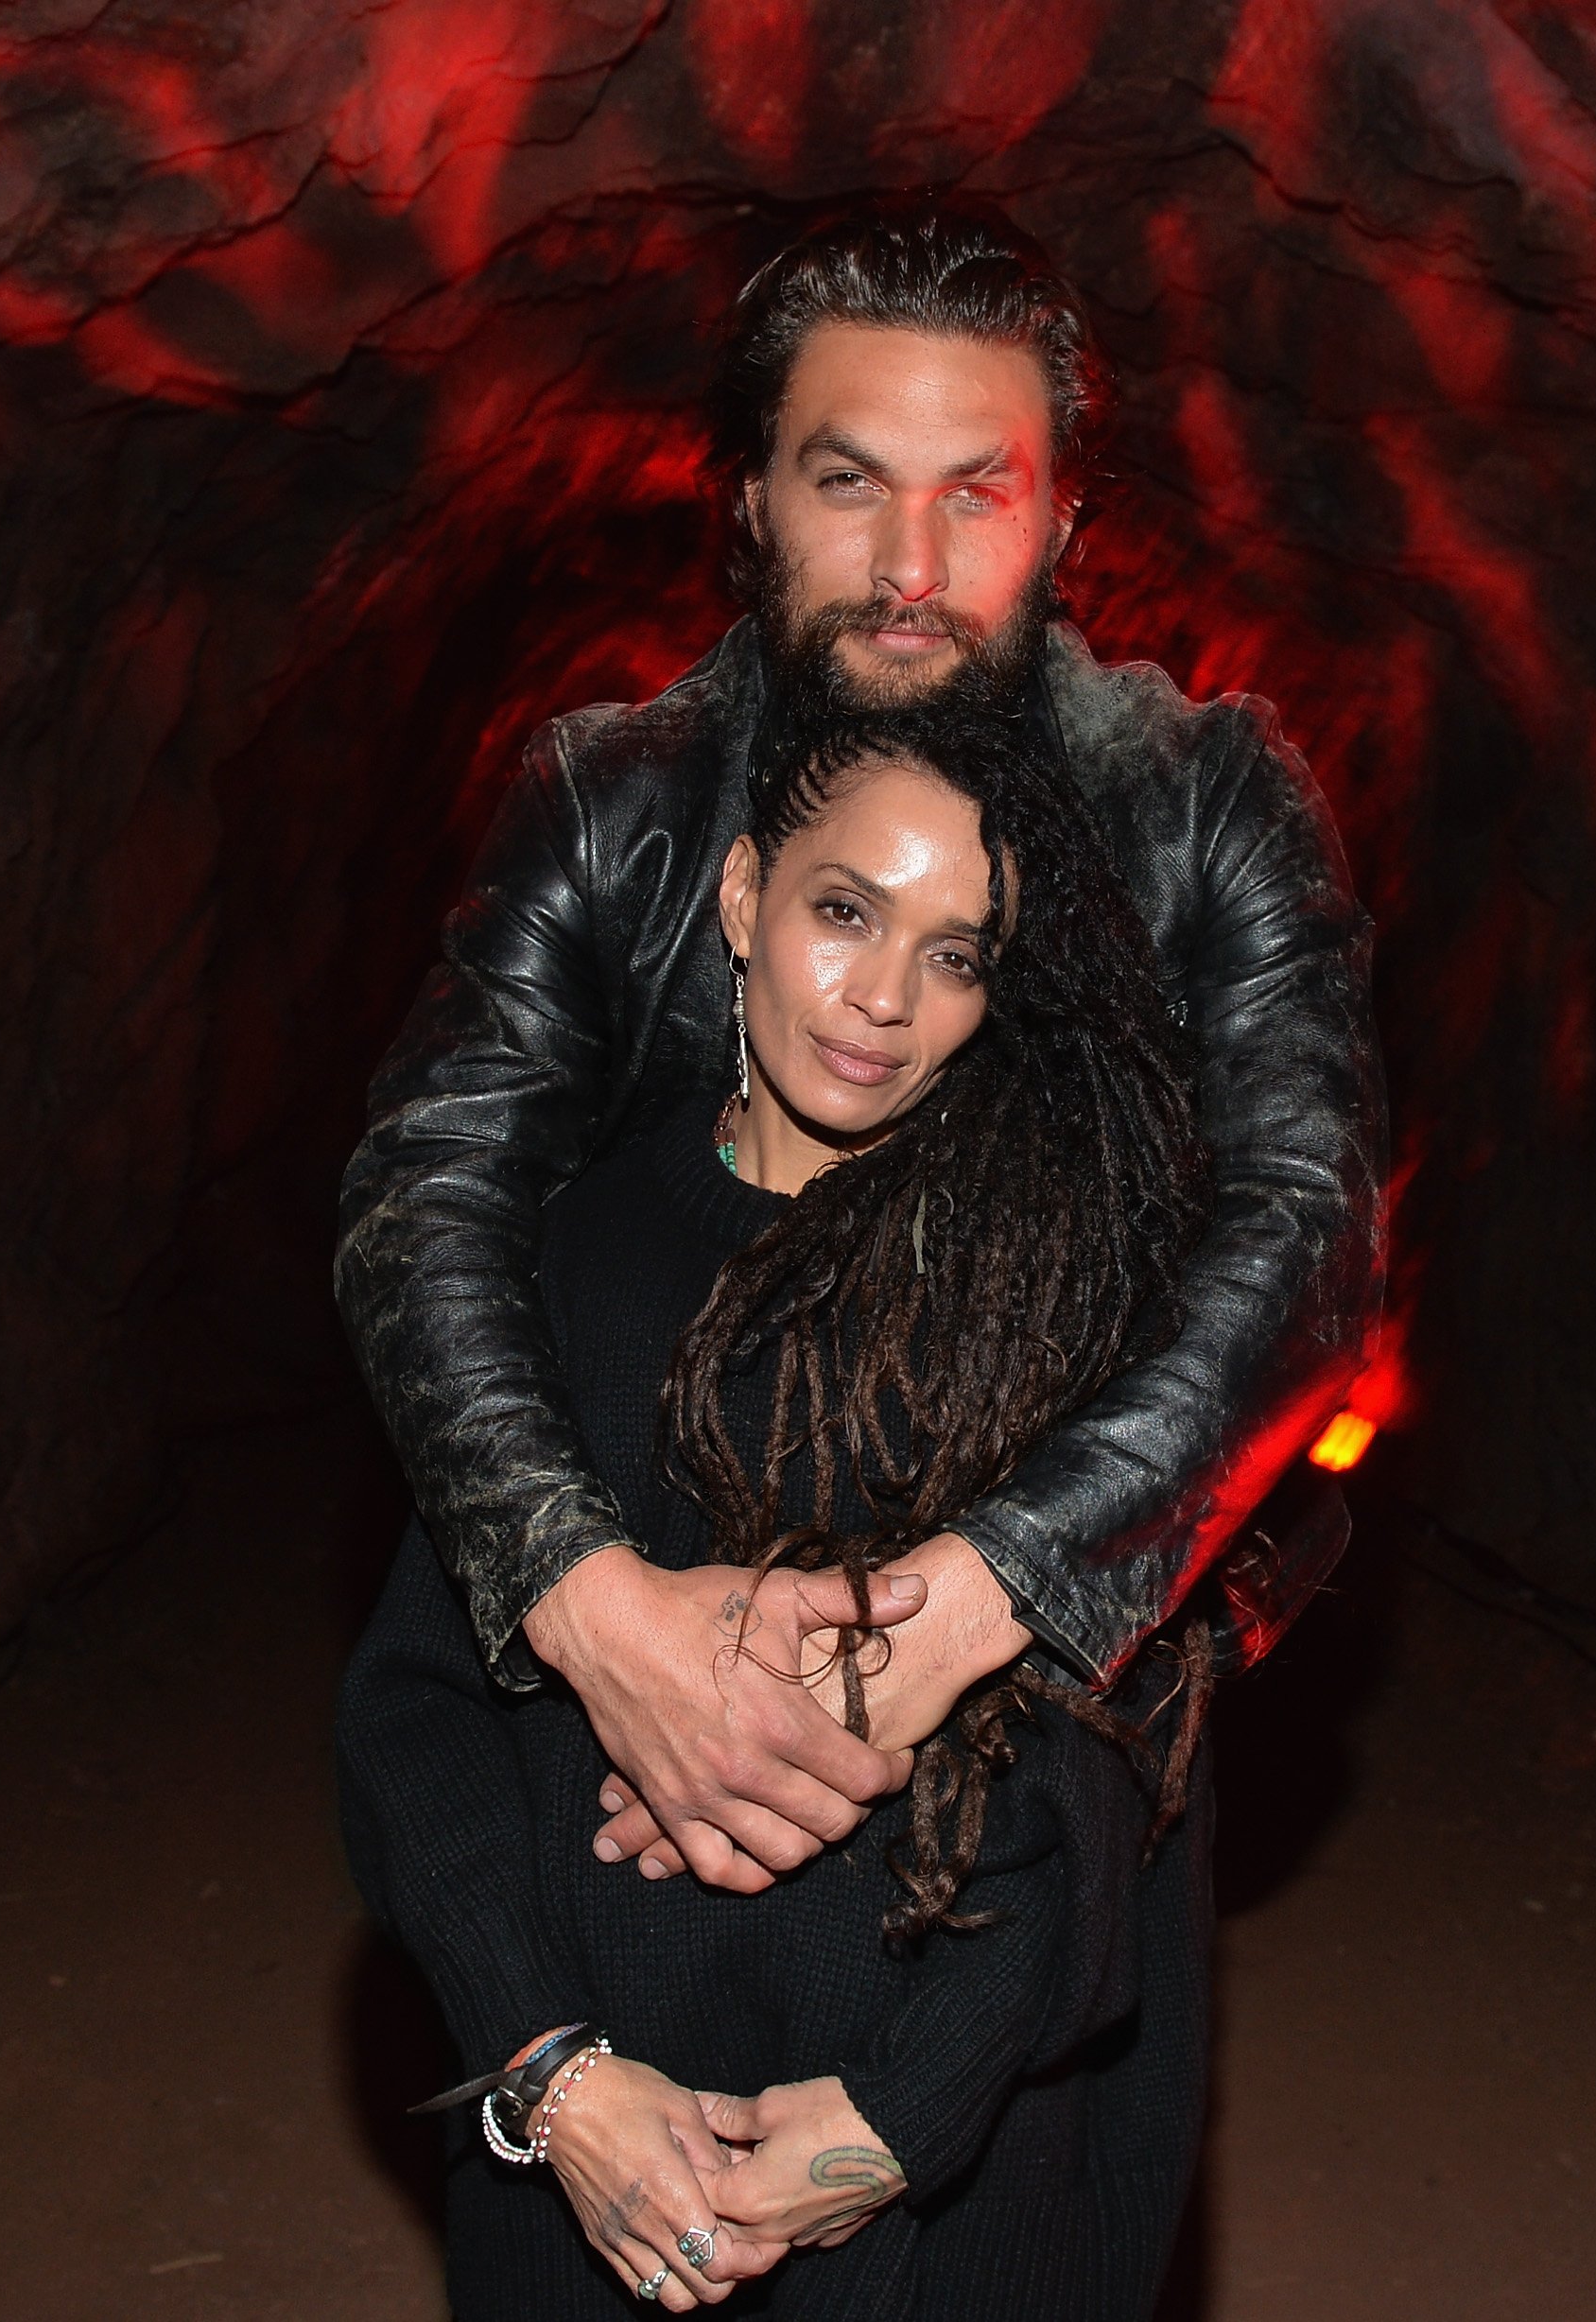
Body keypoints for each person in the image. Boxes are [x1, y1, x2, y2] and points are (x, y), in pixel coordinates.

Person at [331, 192, 1384, 1907]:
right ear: (751, 505)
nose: (911, 566)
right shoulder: (618, 807)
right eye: (849, 482)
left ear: (1062, 525)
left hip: (1077, 1688)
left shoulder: (1210, 809)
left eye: (978, 491)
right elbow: (430, 1192)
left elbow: (1307, 1233)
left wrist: (971, 1611)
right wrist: (596, 1608)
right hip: (657, 1680)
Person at [337, 702, 1228, 2314]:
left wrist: (897, 2121)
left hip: (940, 2212)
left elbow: (1114, 1792)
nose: (885, 1000)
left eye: (958, 954)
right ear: (743, 897)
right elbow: (420, 1721)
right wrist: (557, 2081)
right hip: (589, 2194)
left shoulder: (1046, 1299)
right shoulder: (555, 1257)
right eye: (844, 910)